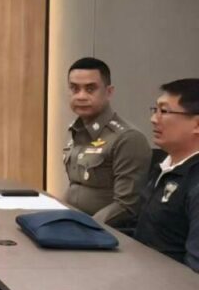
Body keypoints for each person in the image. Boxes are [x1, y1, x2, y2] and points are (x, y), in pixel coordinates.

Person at [62, 57, 151, 226]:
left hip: (107, 232)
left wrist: (86, 228)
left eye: (90, 89)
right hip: (74, 223)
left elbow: (126, 205)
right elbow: (75, 189)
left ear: (109, 92)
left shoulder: (127, 138)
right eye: (75, 88)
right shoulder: (77, 131)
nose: (81, 96)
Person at [134, 78, 199, 272]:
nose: (154, 119)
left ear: (197, 124)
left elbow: (195, 270)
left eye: (164, 111)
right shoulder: (164, 166)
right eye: (155, 110)